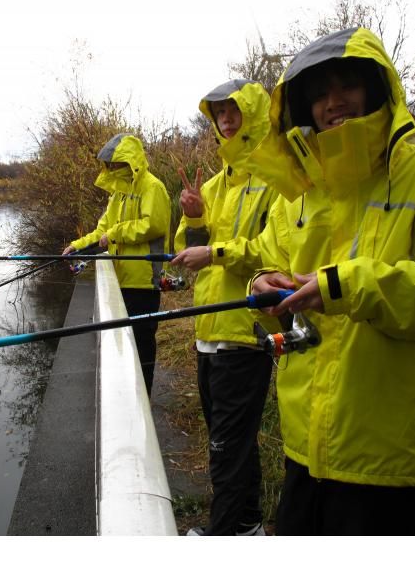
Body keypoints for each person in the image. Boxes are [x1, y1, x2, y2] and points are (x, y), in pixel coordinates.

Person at [242, 27, 415, 535]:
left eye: (348, 87)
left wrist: (349, 286)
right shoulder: (298, 193)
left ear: (375, 89)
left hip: (383, 454)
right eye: (319, 93)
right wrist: (261, 285)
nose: (332, 103)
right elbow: (266, 264)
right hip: (304, 442)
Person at [170, 79, 280, 536]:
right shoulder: (212, 185)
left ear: (252, 115)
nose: (227, 121)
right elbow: (187, 255)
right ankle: (248, 523)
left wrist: (215, 252)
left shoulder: (277, 181)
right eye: (219, 114)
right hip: (208, 330)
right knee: (230, 438)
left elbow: (275, 252)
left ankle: (221, 533)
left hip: (246, 329)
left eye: (233, 111)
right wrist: (195, 217)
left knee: (224, 444)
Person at [63, 133, 171, 396]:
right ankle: (125, 393)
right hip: (119, 280)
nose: (111, 168)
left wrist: (115, 234)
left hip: (144, 283)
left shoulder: (152, 187)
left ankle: (142, 396)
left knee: (142, 344)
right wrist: (78, 246)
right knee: (122, 343)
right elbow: (102, 230)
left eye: (115, 163)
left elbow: (152, 225)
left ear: (129, 161)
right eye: (108, 164)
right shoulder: (118, 194)